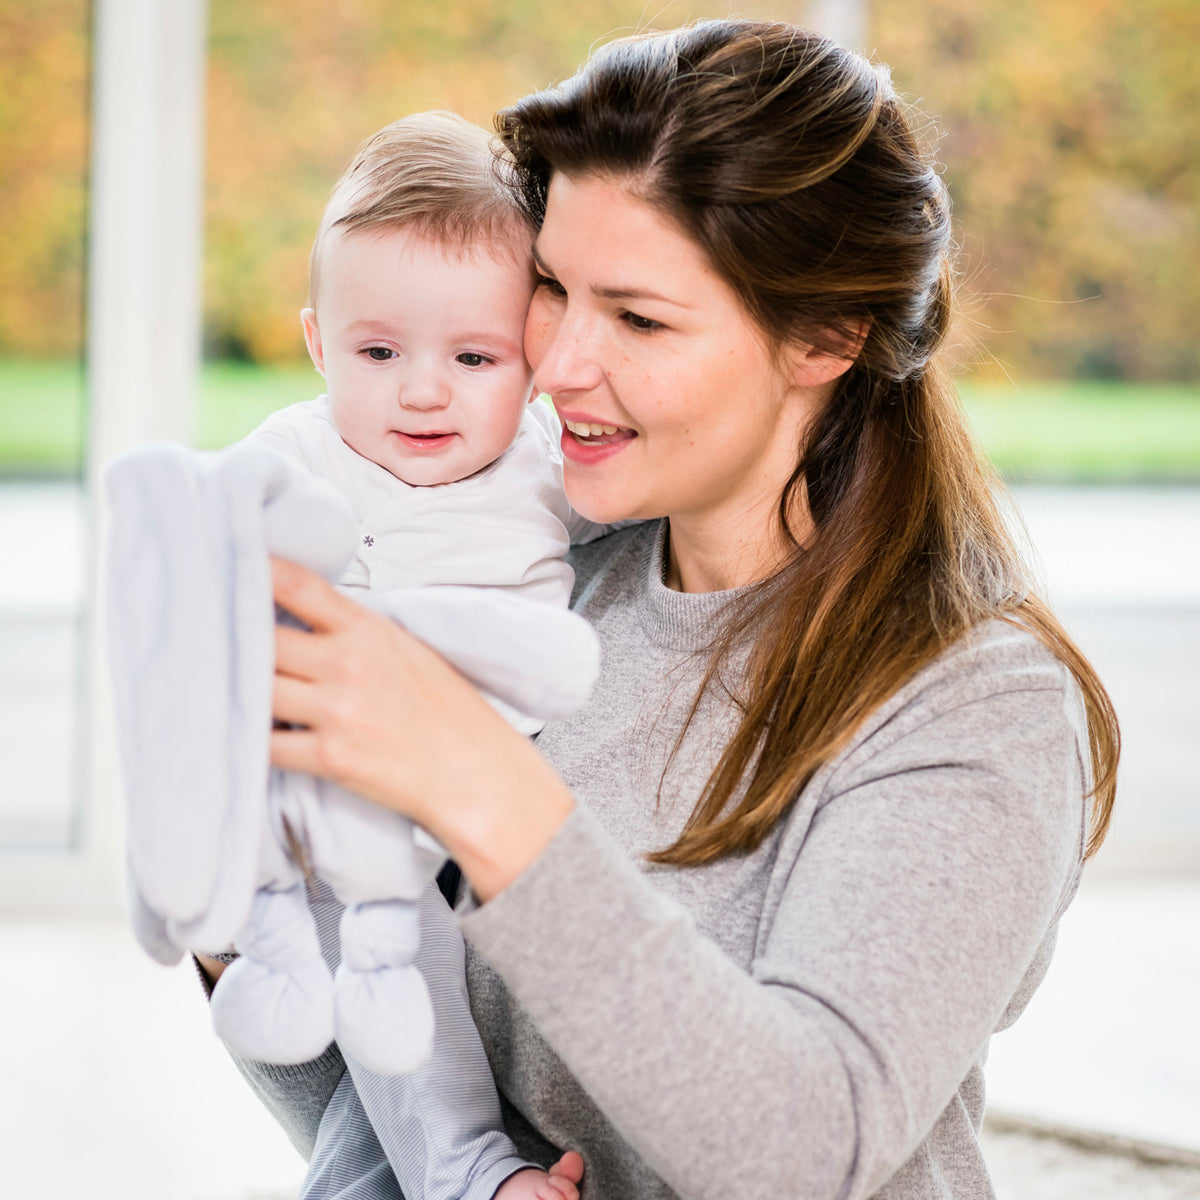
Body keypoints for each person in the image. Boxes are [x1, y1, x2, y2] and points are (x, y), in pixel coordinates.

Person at [231, 19, 1120, 1200]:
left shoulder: (972, 704)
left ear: (829, 336)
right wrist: (243, 914)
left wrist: (475, 786)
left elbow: (803, 1149)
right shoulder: (551, 587)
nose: (553, 365)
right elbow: (410, 1094)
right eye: (554, 288)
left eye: (638, 319)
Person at [192, 110, 590, 1200]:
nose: (423, 391)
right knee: (396, 984)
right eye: (378, 353)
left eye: (474, 357)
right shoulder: (295, 459)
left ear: (536, 360)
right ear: (321, 345)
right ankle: (467, 1170)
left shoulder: (552, 464)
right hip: (355, 814)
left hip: (512, 799)